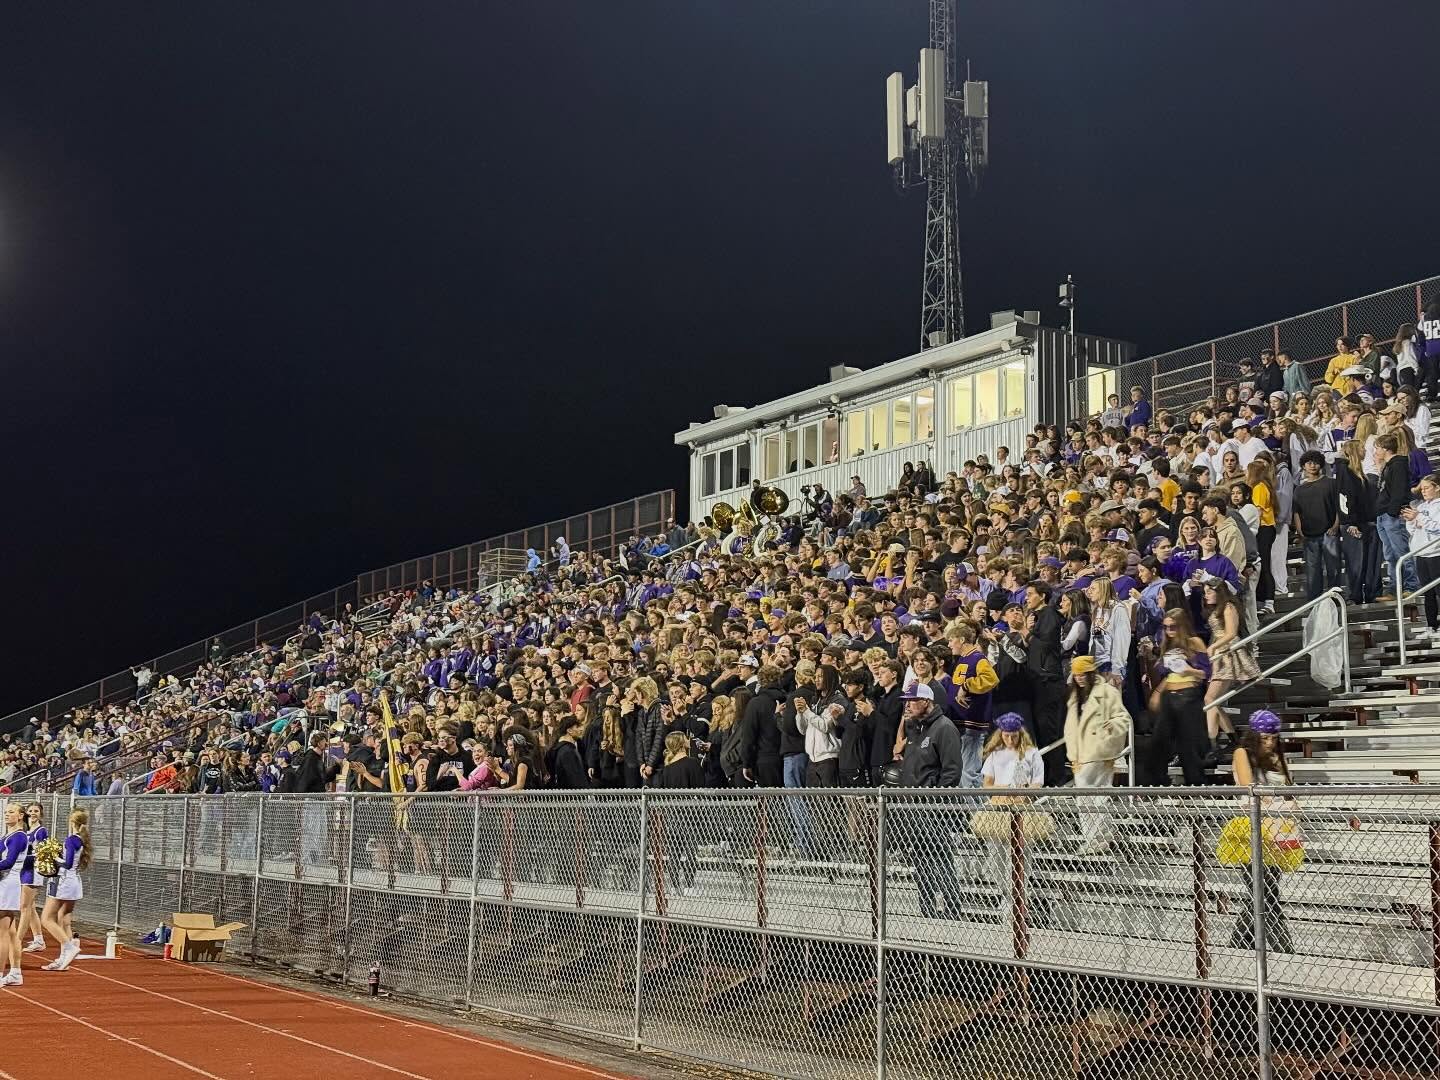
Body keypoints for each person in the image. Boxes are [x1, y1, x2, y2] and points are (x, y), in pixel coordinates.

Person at [1227, 710, 1295, 954]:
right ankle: (1283, 948)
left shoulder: (1277, 757)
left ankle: (1239, 944)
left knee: (1264, 891)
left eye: (1273, 738)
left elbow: (1289, 790)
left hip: (1278, 829)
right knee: (1264, 891)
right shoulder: (1242, 753)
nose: (1270, 743)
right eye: (1265, 738)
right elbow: (1249, 788)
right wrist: (1274, 801)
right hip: (1251, 827)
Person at [898, 683, 963, 918]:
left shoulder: (944, 728)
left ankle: (953, 909)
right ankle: (926, 909)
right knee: (920, 859)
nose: (908, 705)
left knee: (941, 857)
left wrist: (935, 800)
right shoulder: (914, 727)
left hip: (932, 808)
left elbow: (952, 771)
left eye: (912, 700)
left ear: (926, 701)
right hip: (912, 807)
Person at [978, 713, 1044, 925]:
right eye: (1006, 736)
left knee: (1022, 856)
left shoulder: (1032, 754)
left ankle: (1018, 899)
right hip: (997, 809)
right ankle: (1006, 895)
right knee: (996, 857)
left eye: (1014, 736)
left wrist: (1024, 791)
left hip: (1022, 808)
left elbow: (1038, 783)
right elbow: (986, 784)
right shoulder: (995, 755)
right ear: (1001, 734)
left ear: (1020, 734)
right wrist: (1005, 789)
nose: (1010, 740)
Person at [1064, 655, 1128, 853]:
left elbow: (1123, 718)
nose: (1079, 678)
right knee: (1086, 798)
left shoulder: (1107, 692)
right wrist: (1072, 754)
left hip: (1100, 750)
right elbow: (1071, 728)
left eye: (1083, 674)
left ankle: (1099, 837)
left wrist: (1109, 731)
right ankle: (1097, 836)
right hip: (1081, 753)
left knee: (1095, 796)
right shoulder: (1075, 696)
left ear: (1091, 673)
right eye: (1076, 675)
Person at [1203, 578, 1254, 748]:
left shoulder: (1228, 607)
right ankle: (1231, 739)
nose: (1206, 596)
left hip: (1228, 653)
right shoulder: (1218, 608)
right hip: (1220, 653)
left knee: (1210, 698)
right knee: (1212, 700)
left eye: (1209, 592)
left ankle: (1214, 743)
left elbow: (1231, 633)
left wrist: (1214, 646)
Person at [40, 808, 90, 971]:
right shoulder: (81, 840)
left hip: (64, 882)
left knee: (46, 918)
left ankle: (69, 947)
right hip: (74, 881)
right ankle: (63, 959)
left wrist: (53, 857)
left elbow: (67, 864)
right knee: (64, 918)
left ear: (72, 822)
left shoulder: (71, 840)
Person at [1374, 433, 1419, 601]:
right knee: (1390, 555)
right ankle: (1394, 589)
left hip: (1392, 515)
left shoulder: (1398, 464)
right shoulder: (1388, 465)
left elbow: (1399, 491)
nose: (1376, 451)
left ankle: (1411, 586)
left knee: (1401, 551)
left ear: (1385, 449)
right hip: (1383, 514)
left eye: (1377, 447)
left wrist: (1393, 511)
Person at [1291, 450, 1340, 600]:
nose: (1312, 466)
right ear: (1303, 466)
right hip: (1309, 536)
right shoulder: (1299, 489)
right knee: (1312, 572)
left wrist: (1335, 526)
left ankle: (1336, 598)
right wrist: (1300, 531)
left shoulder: (1331, 483)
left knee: (1334, 569)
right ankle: (1314, 601)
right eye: (1309, 463)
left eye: (1316, 462)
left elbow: (1339, 507)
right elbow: (1296, 512)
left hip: (1329, 533)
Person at [0, 802, 25, 986]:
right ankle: (15, 973)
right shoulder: (8, 835)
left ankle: (0, 974)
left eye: (11, 812)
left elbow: (8, 862)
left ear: (20, 815)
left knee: (1, 933)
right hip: (4, 881)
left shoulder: (18, 837)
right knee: (11, 932)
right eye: (6, 812)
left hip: (8, 883)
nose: (7, 815)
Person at [18, 800, 47, 953]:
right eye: (30, 811)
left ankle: (17, 940)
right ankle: (38, 939)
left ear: (40, 814)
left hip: (33, 870)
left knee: (24, 906)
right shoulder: (25, 831)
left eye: (36, 811)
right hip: (24, 869)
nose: (33, 813)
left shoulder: (40, 831)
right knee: (31, 907)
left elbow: (42, 853)